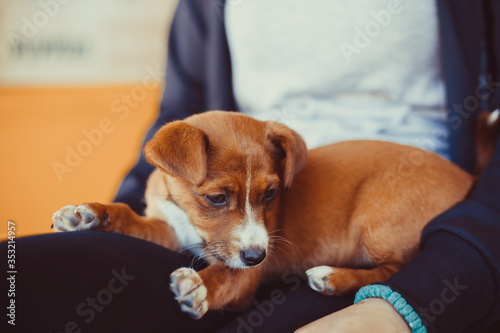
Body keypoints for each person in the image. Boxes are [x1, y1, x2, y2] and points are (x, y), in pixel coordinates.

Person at [3, 1, 499, 332]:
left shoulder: (270, 186)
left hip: (425, 212)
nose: (252, 235)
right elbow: (174, 122)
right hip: (225, 165)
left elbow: (241, 276)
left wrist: (424, 289)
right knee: (24, 273)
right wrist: (108, 227)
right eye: (215, 199)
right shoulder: (183, 161)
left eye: (266, 198)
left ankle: (379, 272)